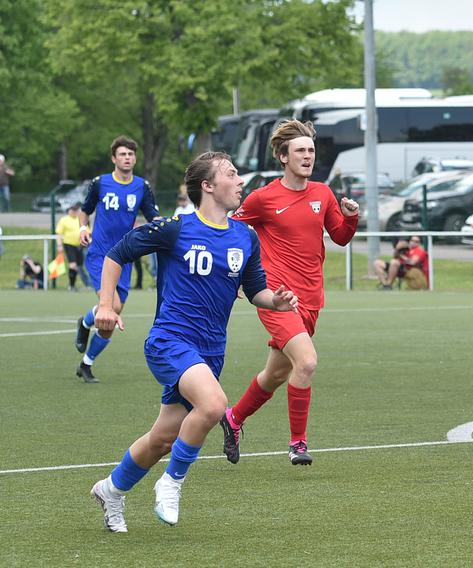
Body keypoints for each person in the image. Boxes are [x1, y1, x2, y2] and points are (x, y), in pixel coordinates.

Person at [89, 152, 298, 533]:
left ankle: (111, 490)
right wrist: (106, 303)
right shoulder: (174, 228)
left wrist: (276, 300)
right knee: (216, 404)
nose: (239, 181)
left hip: (210, 352)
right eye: (231, 174)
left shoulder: (245, 236)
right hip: (169, 341)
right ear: (207, 186)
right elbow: (116, 254)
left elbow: (255, 291)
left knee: (163, 438)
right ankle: (172, 482)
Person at [222, 119, 359, 466]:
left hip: (312, 300)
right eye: (300, 150)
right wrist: (239, 275)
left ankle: (232, 419)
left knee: (276, 374)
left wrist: (351, 217)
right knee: (308, 362)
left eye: (311, 150)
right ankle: (298, 443)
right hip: (277, 297)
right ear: (283, 157)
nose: (308, 156)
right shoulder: (264, 198)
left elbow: (340, 236)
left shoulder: (323, 193)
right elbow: (230, 231)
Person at [74, 136, 159, 383]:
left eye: (131, 154)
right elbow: (85, 210)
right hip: (100, 254)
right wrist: (82, 229)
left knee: (112, 313)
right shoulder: (100, 183)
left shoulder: (142, 186)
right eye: (122, 154)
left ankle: (86, 359)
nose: (127, 158)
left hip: (125, 256)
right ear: (114, 158)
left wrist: (166, 229)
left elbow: (152, 215)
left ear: (135, 158)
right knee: (110, 308)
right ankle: (87, 325)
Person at [55, 203, 87, 290]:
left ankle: (78, 284)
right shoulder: (64, 220)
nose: (74, 211)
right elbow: (58, 233)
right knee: (72, 265)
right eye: (73, 210)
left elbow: (87, 231)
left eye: (76, 210)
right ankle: (71, 285)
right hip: (69, 245)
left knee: (79, 266)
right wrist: (59, 245)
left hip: (80, 246)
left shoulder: (80, 219)